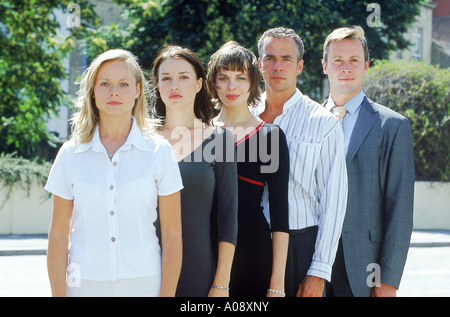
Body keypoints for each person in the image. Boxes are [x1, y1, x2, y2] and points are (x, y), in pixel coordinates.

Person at [45, 49, 183, 297]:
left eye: (123, 84)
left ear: (138, 90)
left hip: (145, 283)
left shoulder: (159, 151)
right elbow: (57, 235)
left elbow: (173, 234)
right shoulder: (69, 154)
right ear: (93, 91)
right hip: (82, 284)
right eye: (105, 84)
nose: (114, 92)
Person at [254, 27, 348, 297]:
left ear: (300, 66)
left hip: (300, 247)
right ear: (260, 64)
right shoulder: (243, 116)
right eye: (270, 58)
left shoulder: (323, 123)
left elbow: (335, 201)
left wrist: (318, 271)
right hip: (248, 244)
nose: (277, 66)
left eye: (286, 59)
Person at [322, 26, 415, 297]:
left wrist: (387, 283)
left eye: (354, 60)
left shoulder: (392, 125)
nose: (346, 67)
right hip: (309, 262)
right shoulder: (306, 121)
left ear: (366, 65)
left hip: (364, 269)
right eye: (338, 60)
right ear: (325, 66)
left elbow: (400, 209)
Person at [150, 45, 238, 297]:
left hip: (199, 270)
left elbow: (228, 219)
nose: (173, 85)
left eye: (183, 77)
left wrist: (221, 283)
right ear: (157, 85)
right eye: (165, 78)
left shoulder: (220, 140)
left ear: (199, 84)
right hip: (143, 267)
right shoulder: (140, 140)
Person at [207, 41, 290, 297]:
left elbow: (280, 214)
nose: (232, 86)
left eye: (240, 77)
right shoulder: (198, 133)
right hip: (204, 252)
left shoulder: (271, 136)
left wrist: (276, 284)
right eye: (224, 77)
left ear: (252, 82)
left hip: (254, 255)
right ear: (213, 82)